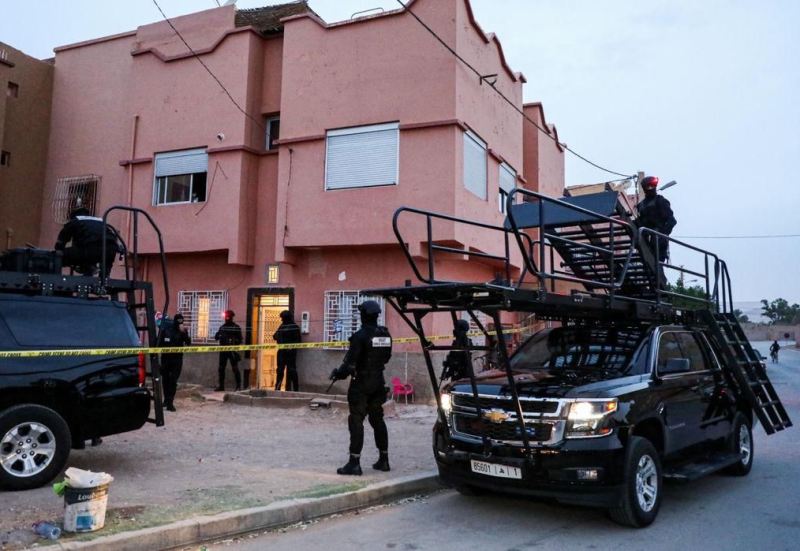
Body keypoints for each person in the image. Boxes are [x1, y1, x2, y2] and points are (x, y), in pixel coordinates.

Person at [329, 300, 392, 476]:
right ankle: (384, 460)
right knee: (377, 420)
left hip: (361, 384)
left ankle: (354, 463)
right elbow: (387, 358)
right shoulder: (385, 334)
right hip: (378, 382)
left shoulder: (360, 336)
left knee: (356, 421)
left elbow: (350, 364)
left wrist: (338, 374)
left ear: (363, 315)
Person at [54, 207, 121, 277]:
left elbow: (61, 241)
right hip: (110, 250)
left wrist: (58, 251)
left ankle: (55, 277)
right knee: (94, 253)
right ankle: (104, 277)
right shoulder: (99, 221)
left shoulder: (75, 221)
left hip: (90, 249)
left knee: (56, 257)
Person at [635, 176, 677, 263]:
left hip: (658, 238)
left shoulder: (660, 201)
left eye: (652, 186)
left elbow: (671, 221)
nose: (650, 188)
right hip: (645, 238)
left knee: (657, 265)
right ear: (644, 188)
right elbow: (640, 222)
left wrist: (662, 234)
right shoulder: (641, 205)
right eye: (648, 186)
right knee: (647, 263)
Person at [158, 313, 191, 411]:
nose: (180, 323)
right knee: (165, 380)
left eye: (182, 321)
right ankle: (166, 400)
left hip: (177, 360)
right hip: (166, 359)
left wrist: (184, 333)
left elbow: (188, 343)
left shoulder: (183, 331)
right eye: (179, 321)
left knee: (173, 381)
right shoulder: (166, 330)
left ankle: (170, 402)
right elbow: (159, 344)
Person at [214, 310, 243, 391]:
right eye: (226, 316)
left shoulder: (235, 327)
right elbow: (216, 337)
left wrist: (233, 342)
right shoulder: (222, 327)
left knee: (235, 368)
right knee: (221, 368)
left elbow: (240, 339)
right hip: (223, 351)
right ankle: (221, 386)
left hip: (232, 351)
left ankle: (238, 386)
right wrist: (219, 335)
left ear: (231, 317)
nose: (226, 318)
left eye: (228, 316)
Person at [273, 310, 302, 391]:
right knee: (280, 370)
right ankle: (277, 388)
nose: (281, 319)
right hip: (282, 352)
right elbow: (275, 336)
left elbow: (298, 341)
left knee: (292, 370)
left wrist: (291, 347)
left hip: (290, 352)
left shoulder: (294, 327)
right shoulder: (282, 326)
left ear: (286, 318)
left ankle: (295, 389)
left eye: (282, 318)